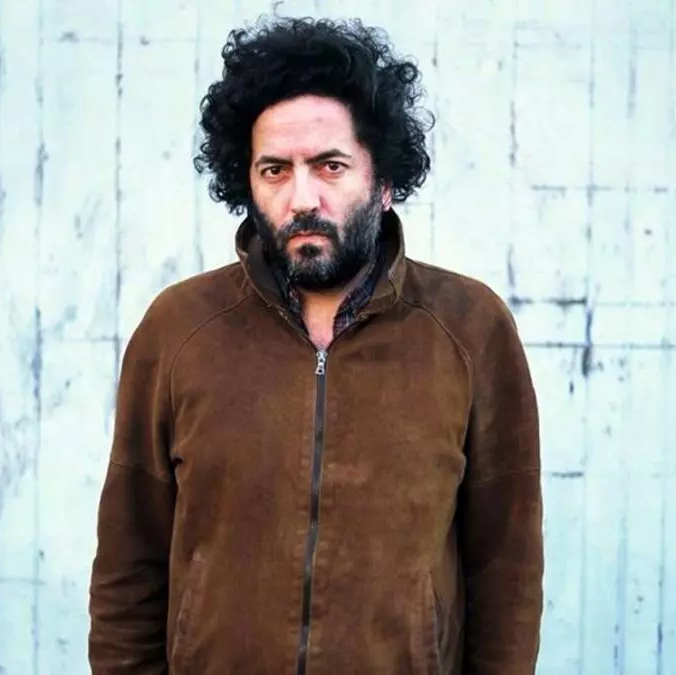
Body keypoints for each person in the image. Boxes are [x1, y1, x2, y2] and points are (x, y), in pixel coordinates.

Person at [88, 15, 543, 675]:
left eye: (330, 166)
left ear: (384, 181)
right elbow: (129, 565)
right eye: (275, 170)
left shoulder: (470, 328)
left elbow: (508, 571)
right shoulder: (179, 329)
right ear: (246, 182)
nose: (302, 197)